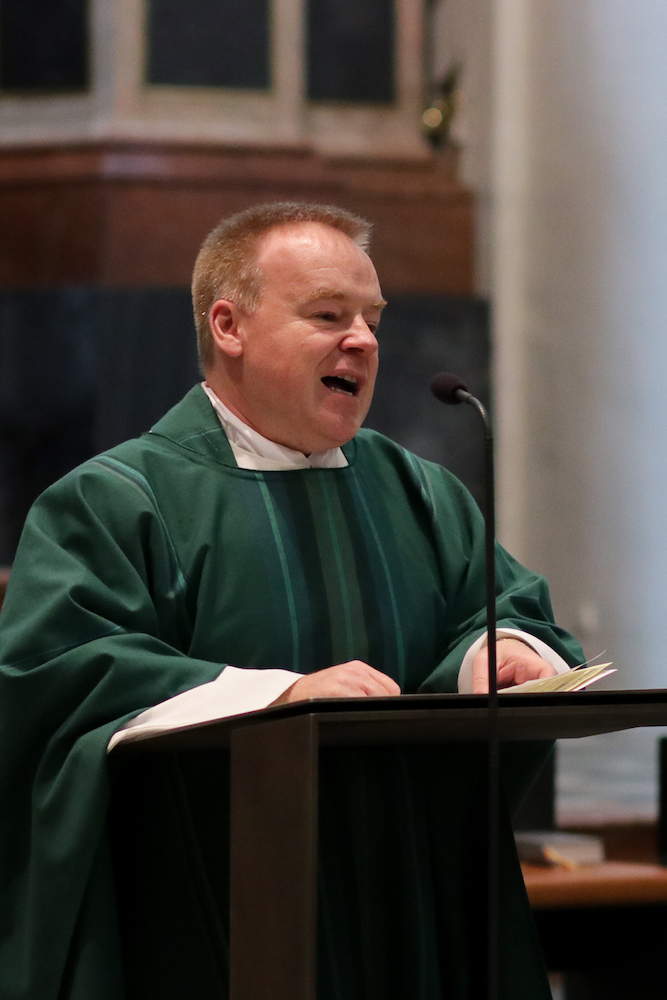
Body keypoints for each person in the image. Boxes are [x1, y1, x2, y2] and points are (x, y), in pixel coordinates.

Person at [0, 202, 582, 1000]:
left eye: (372, 318)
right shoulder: (114, 502)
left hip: (406, 910)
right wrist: (279, 698)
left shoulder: (419, 495)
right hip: (215, 925)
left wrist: (497, 654)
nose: (364, 341)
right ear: (229, 326)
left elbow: (502, 607)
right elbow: (59, 677)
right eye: (327, 315)